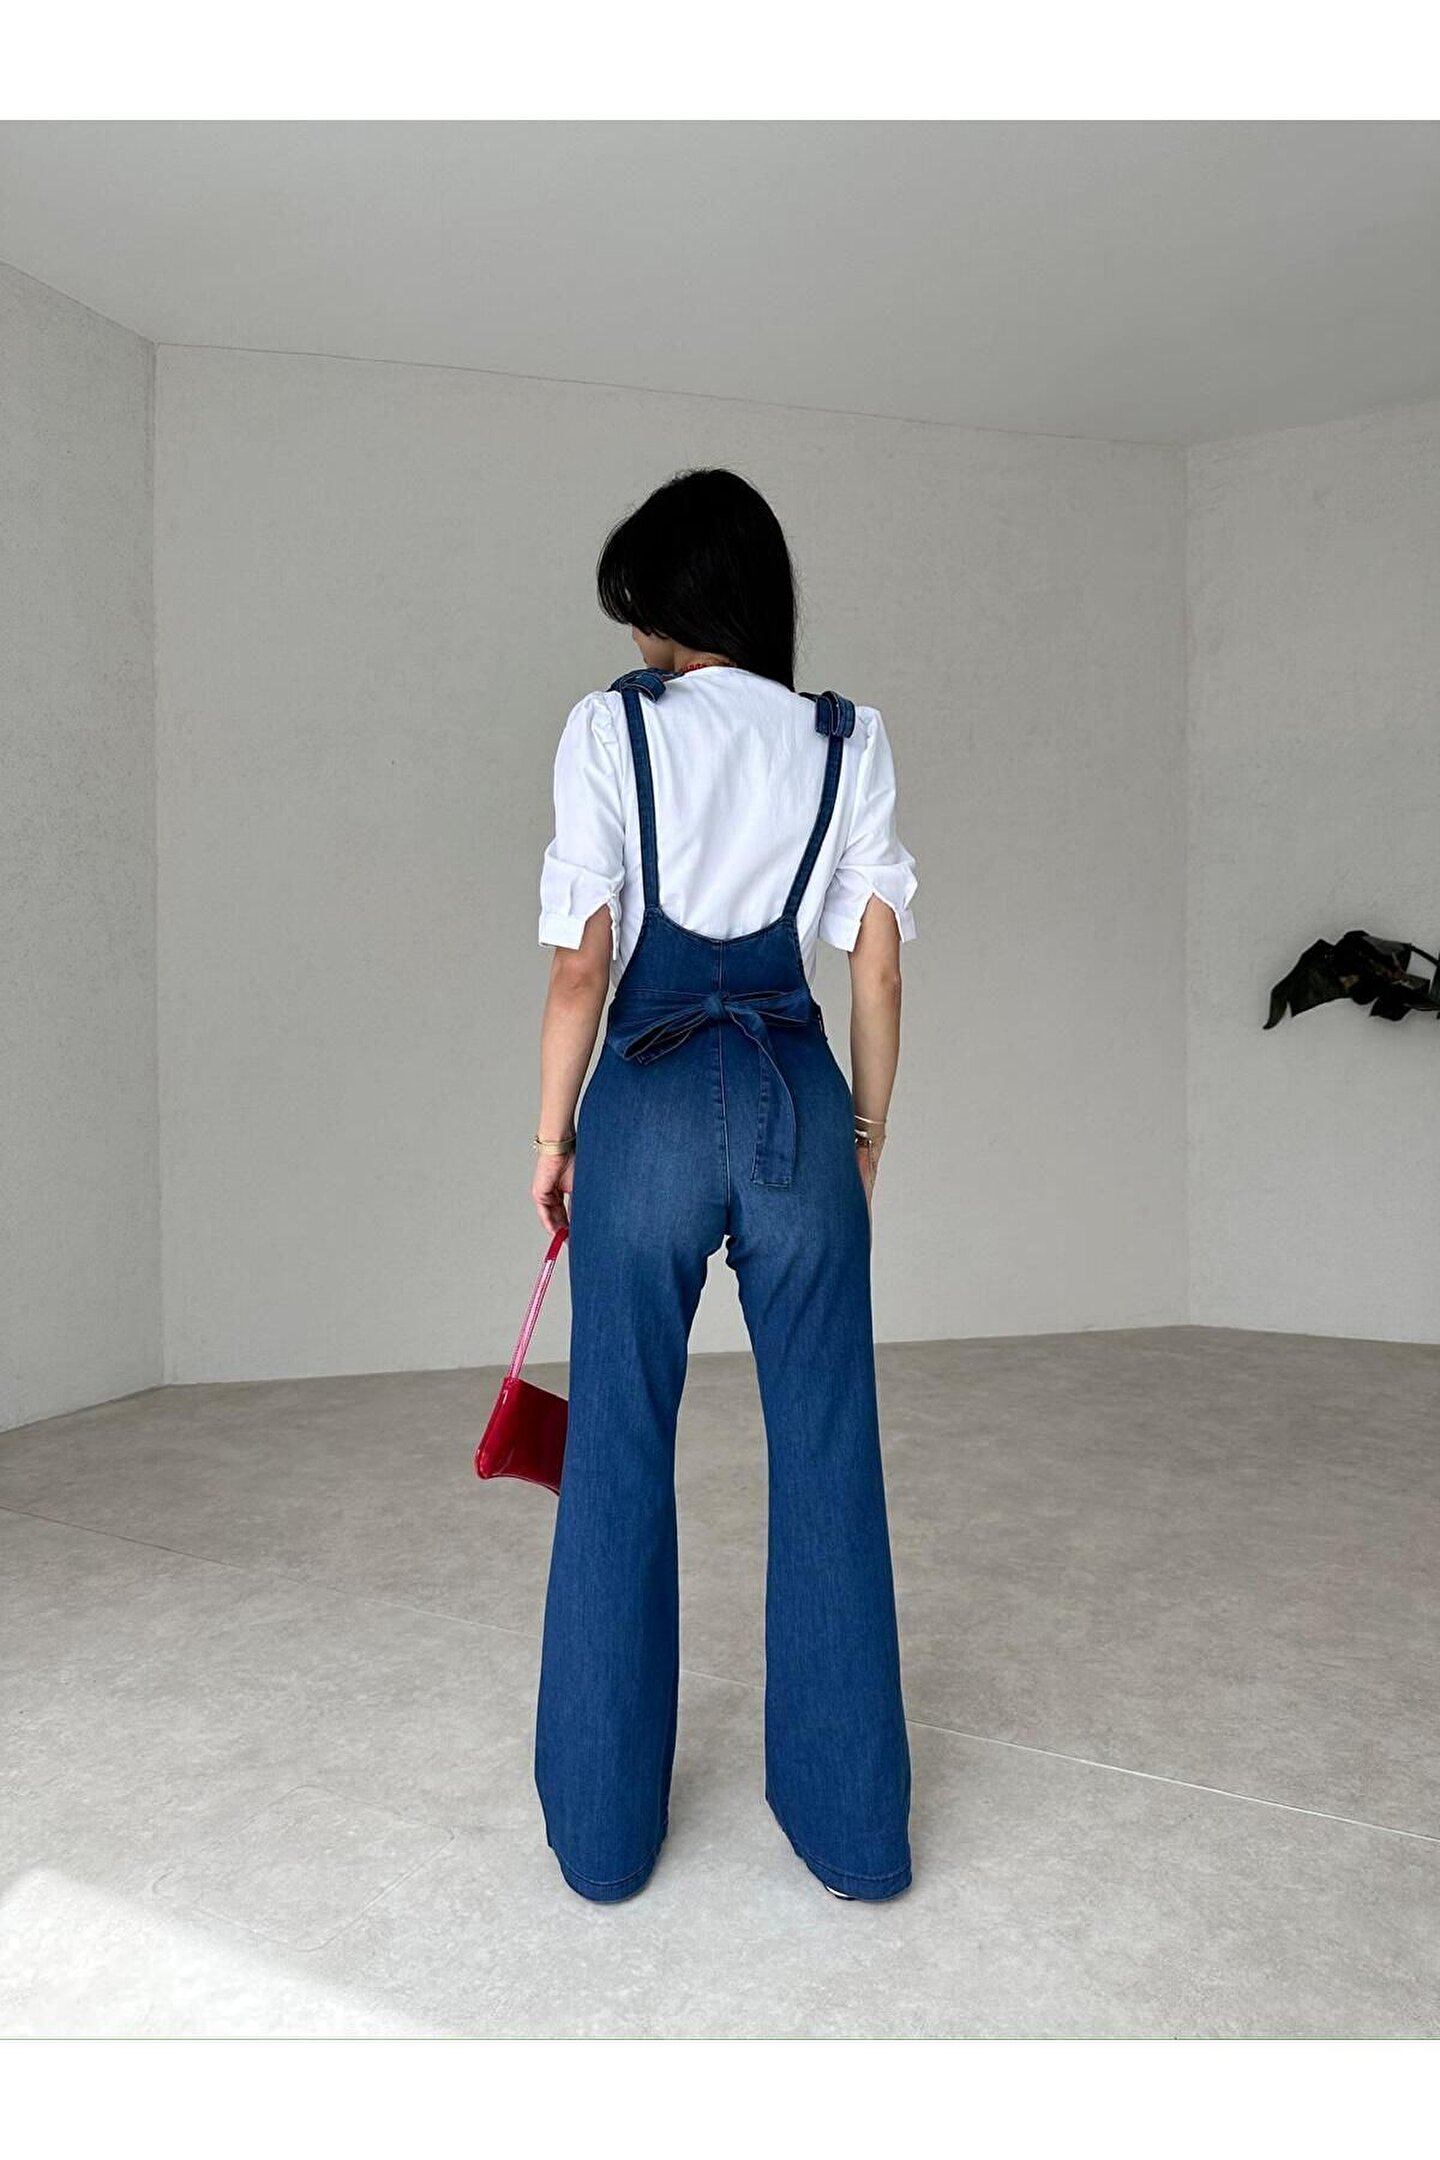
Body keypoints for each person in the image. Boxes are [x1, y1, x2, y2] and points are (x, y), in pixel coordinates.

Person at [528, 466, 917, 1904]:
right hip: (796, 1104)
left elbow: (583, 966)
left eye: (640, 606)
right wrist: (864, 1132)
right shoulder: (844, 738)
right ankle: (854, 1833)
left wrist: (552, 1141)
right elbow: (877, 963)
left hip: (644, 1107)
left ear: (672, 604)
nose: (634, 635)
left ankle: (603, 1837)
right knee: (830, 1455)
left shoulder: (609, 729)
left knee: (617, 1454)